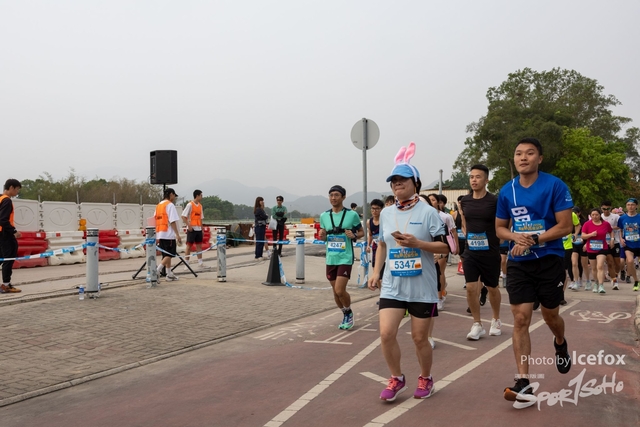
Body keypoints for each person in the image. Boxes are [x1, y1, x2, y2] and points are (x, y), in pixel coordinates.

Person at [368, 142, 449, 401]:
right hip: (393, 285)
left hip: (422, 287)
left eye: (402, 179)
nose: (397, 184)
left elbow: (445, 246)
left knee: (419, 338)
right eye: (393, 181)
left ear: (416, 183)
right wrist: (375, 271)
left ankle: (426, 377)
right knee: (386, 333)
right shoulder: (387, 213)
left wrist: (418, 244)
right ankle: (397, 378)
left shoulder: (429, 213)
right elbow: (382, 244)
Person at [496, 138, 574, 406]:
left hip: (550, 258)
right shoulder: (507, 191)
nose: (523, 157)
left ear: (539, 158)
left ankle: (560, 342)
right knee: (520, 318)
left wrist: (534, 239)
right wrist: (515, 237)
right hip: (519, 261)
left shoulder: (555, 185)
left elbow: (565, 226)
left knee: (551, 316)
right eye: (518, 153)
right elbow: (500, 228)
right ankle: (523, 381)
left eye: (529, 153)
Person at [459, 165, 502, 340]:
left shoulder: (494, 201)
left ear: (486, 180)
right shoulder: (465, 201)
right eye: (471, 177)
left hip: (490, 251)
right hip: (471, 251)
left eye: (478, 177)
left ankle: (496, 319)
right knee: (471, 288)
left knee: (492, 288)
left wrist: (500, 239)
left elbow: (504, 222)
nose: (474, 180)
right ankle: (477, 324)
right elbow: (465, 222)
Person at [319, 185, 363, 330]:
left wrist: (354, 235)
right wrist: (322, 236)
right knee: (335, 293)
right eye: (331, 195)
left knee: (339, 290)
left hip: (345, 257)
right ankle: (344, 313)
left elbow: (361, 232)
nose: (333, 198)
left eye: (337, 195)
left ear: (343, 197)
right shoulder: (324, 216)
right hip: (331, 258)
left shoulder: (352, 215)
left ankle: (349, 312)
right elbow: (324, 236)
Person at [581, 208, 613, 294]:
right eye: (593, 215)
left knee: (600, 266)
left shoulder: (605, 224)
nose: (595, 216)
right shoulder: (587, 224)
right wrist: (591, 234)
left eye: (596, 215)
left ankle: (601, 286)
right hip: (591, 248)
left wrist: (612, 239)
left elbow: (611, 231)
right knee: (594, 268)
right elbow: (583, 236)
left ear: (600, 215)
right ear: (590, 216)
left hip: (602, 248)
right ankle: (596, 283)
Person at [155, 188, 183, 281]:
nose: (174, 198)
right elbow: (172, 221)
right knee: (170, 254)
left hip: (160, 233)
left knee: (166, 254)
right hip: (168, 234)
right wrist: (177, 234)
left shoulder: (159, 205)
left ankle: (169, 274)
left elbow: (154, 218)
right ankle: (157, 271)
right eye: (174, 195)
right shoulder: (170, 205)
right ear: (171, 194)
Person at [0, 179, 22, 293]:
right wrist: (14, 231)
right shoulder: (7, 201)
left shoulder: (0, 198)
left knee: (1, 257)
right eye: (17, 189)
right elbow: (3, 220)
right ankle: (6, 285)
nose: (17, 192)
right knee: (9, 258)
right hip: (5, 234)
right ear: (11, 187)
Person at [181, 189, 210, 270]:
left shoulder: (200, 206)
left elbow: (201, 218)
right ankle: (186, 263)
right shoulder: (190, 205)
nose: (202, 197)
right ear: (197, 196)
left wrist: (202, 229)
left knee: (199, 246)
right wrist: (189, 225)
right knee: (189, 246)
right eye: (201, 195)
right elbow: (183, 216)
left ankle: (200, 263)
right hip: (192, 229)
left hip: (198, 229)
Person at [618, 197, 640, 291]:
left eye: (632, 205)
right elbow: (620, 229)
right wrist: (621, 238)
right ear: (626, 206)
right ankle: (636, 281)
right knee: (630, 261)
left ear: (636, 206)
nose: (630, 207)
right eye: (628, 205)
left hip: (638, 243)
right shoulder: (622, 218)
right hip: (628, 244)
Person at [600, 200, 621, 289]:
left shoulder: (616, 217)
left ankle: (615, 274)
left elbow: (621, 226)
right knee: (610, 262)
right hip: (605, 243)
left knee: (618, 263)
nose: (606, 211)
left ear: (611, 208)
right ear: (601, 208)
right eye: (604, 209)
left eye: (608, 209)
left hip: (615, 242)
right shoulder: (600, 217)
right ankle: (615, 281)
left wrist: (610, 228)